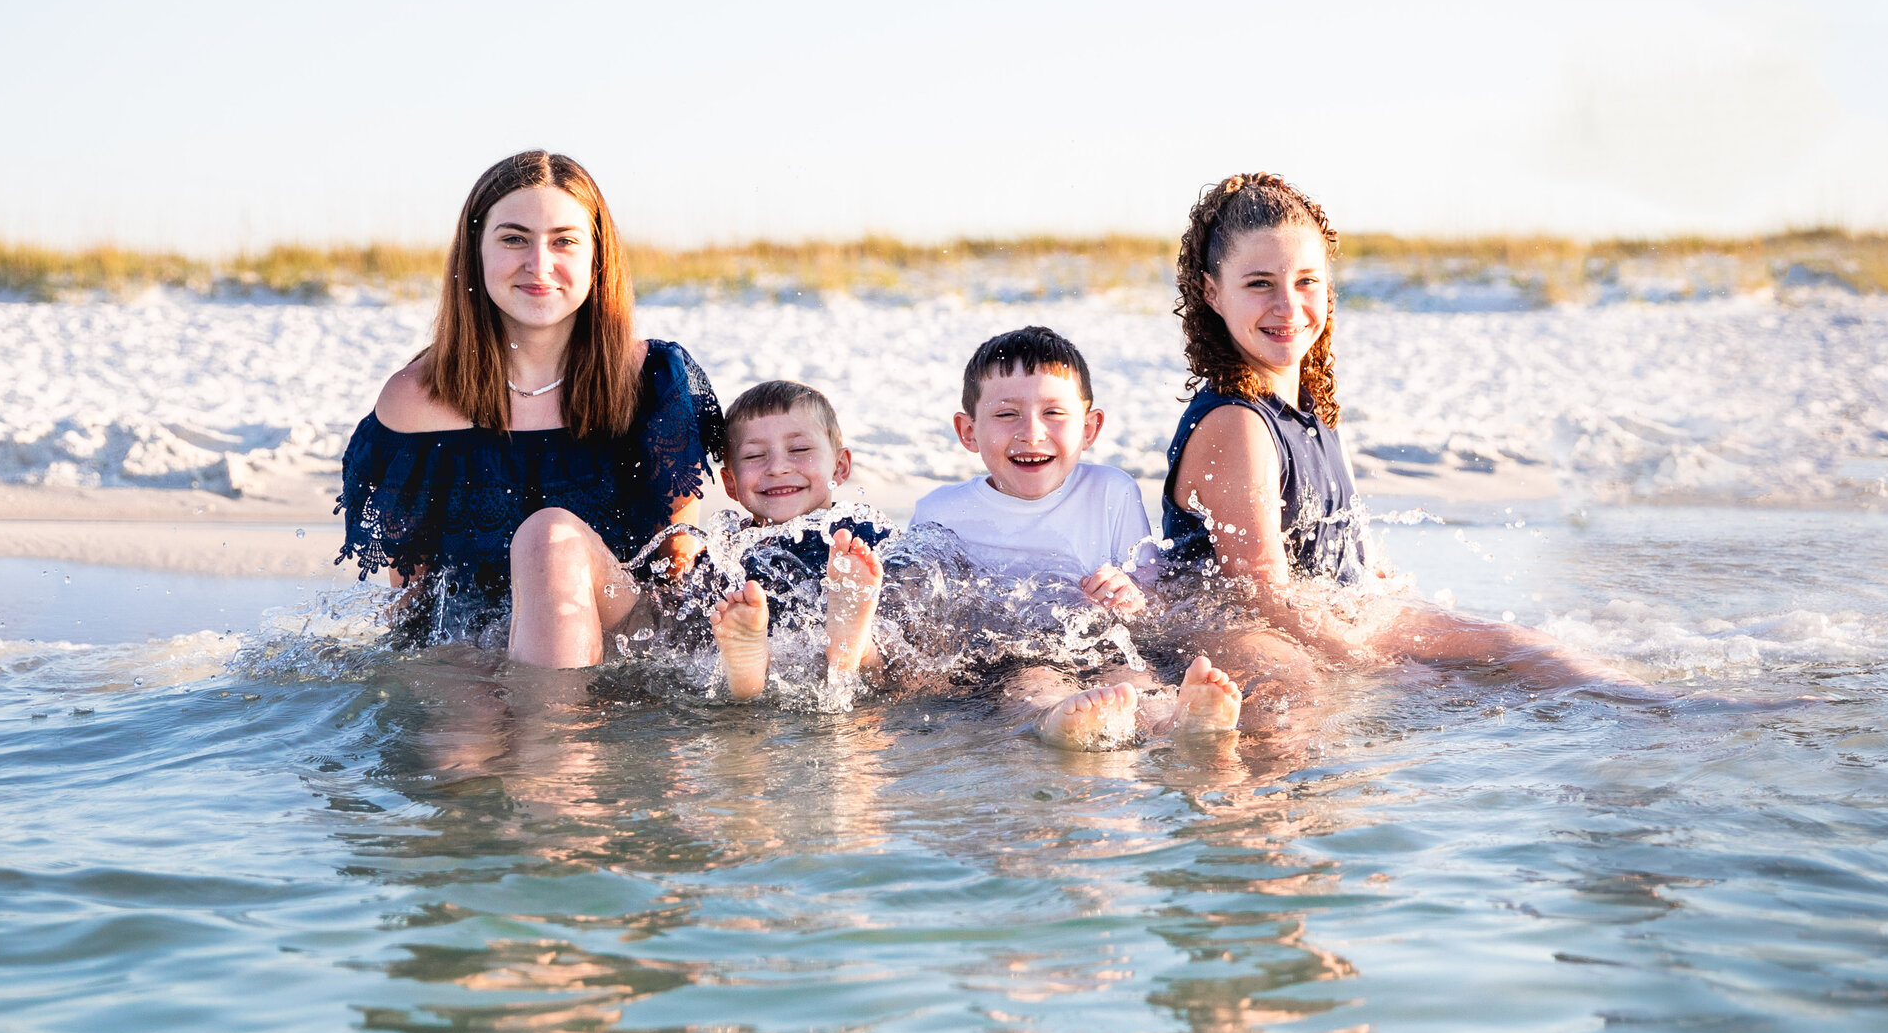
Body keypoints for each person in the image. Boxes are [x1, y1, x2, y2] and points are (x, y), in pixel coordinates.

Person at [1163, 173, 1634, 710]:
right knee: (1293, 690)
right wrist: (1378, 664)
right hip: (1235, 633)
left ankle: (1673, 710)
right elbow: (1263, 597)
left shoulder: (1311, 406)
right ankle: (1243, 788)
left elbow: (1335, 542)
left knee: (1522, 649)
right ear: (1211, 292)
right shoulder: (1237, 423)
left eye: (1306, 282)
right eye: (1260, 284)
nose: (1288, 307)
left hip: (1323, 611)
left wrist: (1380, 589)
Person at [336, 150, 723, 666]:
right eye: (514, 238)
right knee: (457, 734)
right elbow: (414, 605)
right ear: (475, 252)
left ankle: (556, 744)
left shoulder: (653, 381)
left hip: (629, 644)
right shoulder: (414, 403)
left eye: (564, 241)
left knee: (549, 539)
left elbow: (678, 567)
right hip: (479, 653)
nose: (539, 265)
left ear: (597, 257)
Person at [910, 325, 1243, 750]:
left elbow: (1153, 594)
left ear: (1090, 428)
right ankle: (1055, 720)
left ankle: (1179, 723)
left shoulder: (1111, 491)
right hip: (1010, 659)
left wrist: (1131, 596)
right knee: (1032, 684)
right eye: (1007, 414)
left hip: (1103, 645)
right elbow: (922, 620)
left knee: (1134, 678)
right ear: (968, 431)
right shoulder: (941, 511)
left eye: (1054, 413)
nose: (1031, 432)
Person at [703, 380, 887, 700]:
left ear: (840, 466)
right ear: (730, 483)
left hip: (851, 658)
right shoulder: (727, 552)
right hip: (795, 668)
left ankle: (852, 647)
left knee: (885, 650)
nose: (777, 467)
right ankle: (749, 668)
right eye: (754, 455)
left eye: (799, 450)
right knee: (719, 641)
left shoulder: (862, 538)